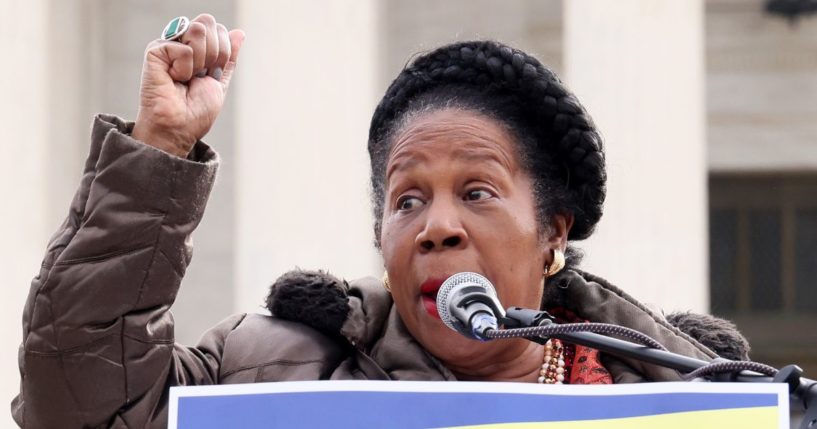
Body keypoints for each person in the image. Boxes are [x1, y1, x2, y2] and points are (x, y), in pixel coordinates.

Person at [12, 13, 749, 428]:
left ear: (553, 230)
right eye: (407, 200)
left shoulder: (676, 395)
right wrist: (161, 147)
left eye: (478, 192)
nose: (437, 226)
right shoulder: (266, 371)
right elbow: (77, 412)